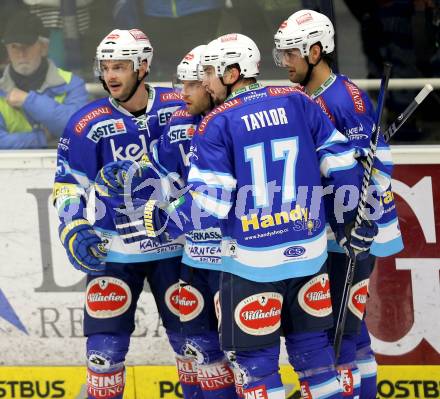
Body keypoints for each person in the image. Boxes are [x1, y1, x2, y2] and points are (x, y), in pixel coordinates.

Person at [114, 33, 379, 399]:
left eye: (208, 73)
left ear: (232, 72)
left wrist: (166, 218)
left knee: (256, 369)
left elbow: (211, 204)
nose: (204, 81)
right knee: (317, 362)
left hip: (251, 265)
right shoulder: (297, 100)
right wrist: (350, 217)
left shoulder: (216, 123)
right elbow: (341, 161)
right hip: (309, 257)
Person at [273, 9, 404, 399]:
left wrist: (355, 212)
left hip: (355, 230)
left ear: (315, 51)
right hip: (330, 229)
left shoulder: (344, 99)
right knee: (351, 329)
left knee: (342, 331)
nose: (286, 63)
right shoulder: (304, 96)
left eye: (291, 54)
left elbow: (379, 170)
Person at [98, 44, 238, 399]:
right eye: (183, 85)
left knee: (244, 357)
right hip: (192, 258)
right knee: (199, 354)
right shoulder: (178, 122)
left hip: (232, 259)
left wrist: (167, 215)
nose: (183, 94)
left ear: (211, 84)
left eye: (193, 85)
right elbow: (158, 169)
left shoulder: (231, 121)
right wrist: (133, 173)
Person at [52, 29, 186, 399]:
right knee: (103, 358)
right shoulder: (86, 123)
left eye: (121, 67)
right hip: (115, 253)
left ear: (143, 66)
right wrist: (75, 229)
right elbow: (67, 185)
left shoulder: (180, 105)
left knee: (197, 348)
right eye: (105, 66)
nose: (110, 75)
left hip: (175, 248)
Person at [0, 8, 88, 149]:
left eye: (27, 46)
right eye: (14, 47)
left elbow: (78, 129)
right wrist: (42, 138)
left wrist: (28, 100)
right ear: (7, 51)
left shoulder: (72, 83)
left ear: (44, 47)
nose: (21, 54)